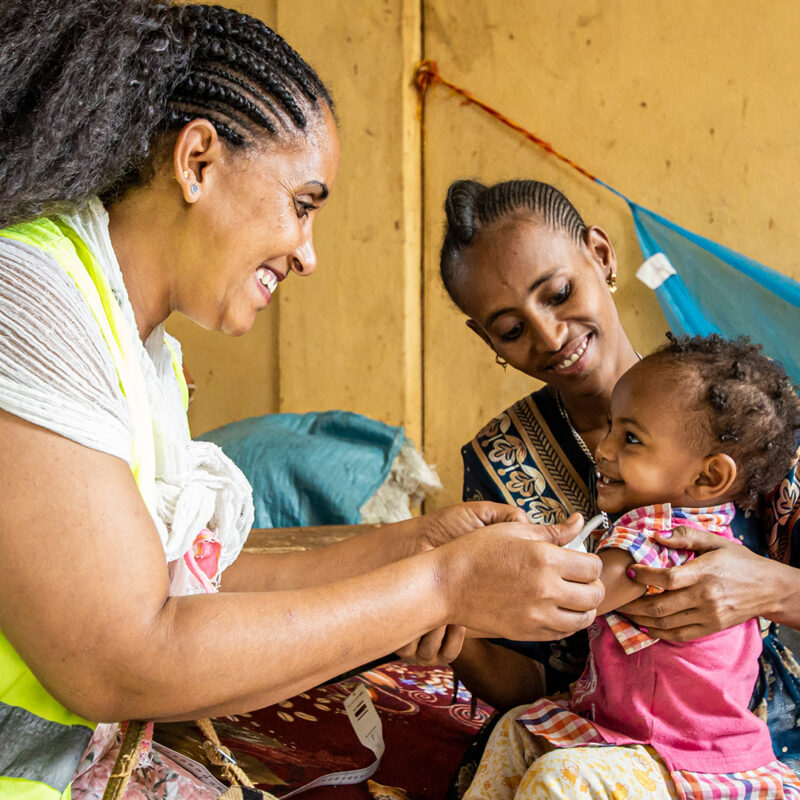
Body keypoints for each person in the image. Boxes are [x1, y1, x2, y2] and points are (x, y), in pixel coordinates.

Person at [0, 7, 606, 799]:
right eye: (303, 203)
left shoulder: (130, 340)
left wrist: (413, 546)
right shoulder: (30, 297)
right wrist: (440, 587)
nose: (309, 254)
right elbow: (126, 658)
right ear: (197, 161)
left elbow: (187, 584)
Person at [434, 178, 800, 792]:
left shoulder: (732, 415)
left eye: (558, 293)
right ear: (485, 339)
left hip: (757, 749)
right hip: (607, 737)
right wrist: (452, 633)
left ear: (601, 257)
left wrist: (770, 588)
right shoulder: (502, 460)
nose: (550, 336)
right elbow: (535, 683)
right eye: (510, 329)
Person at [462, 334, 800, 799]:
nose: (603, 448)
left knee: (560, 778)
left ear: (708, 477)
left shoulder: (659, 533)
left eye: (631, 438)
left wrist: (467, 579)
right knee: (515, 732)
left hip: (685, 758)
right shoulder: (682, 522)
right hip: (635, 734)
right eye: (611, 427)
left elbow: (577, 594)